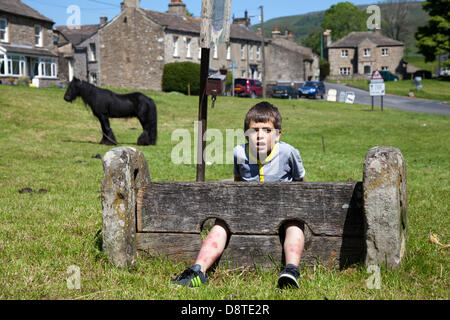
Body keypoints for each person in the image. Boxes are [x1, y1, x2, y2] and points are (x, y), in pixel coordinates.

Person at [173, 101, 306, 289]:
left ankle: (291, 269)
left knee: (294, 225)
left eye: (267, 130)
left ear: (278, 134)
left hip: (282, 211)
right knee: (220, 225)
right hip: (247, 212)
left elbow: (303, 187)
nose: (260, 135)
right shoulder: (240, 153)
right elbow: (237, 185)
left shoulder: (288, 152)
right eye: (254, 130)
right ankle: (198, 270)